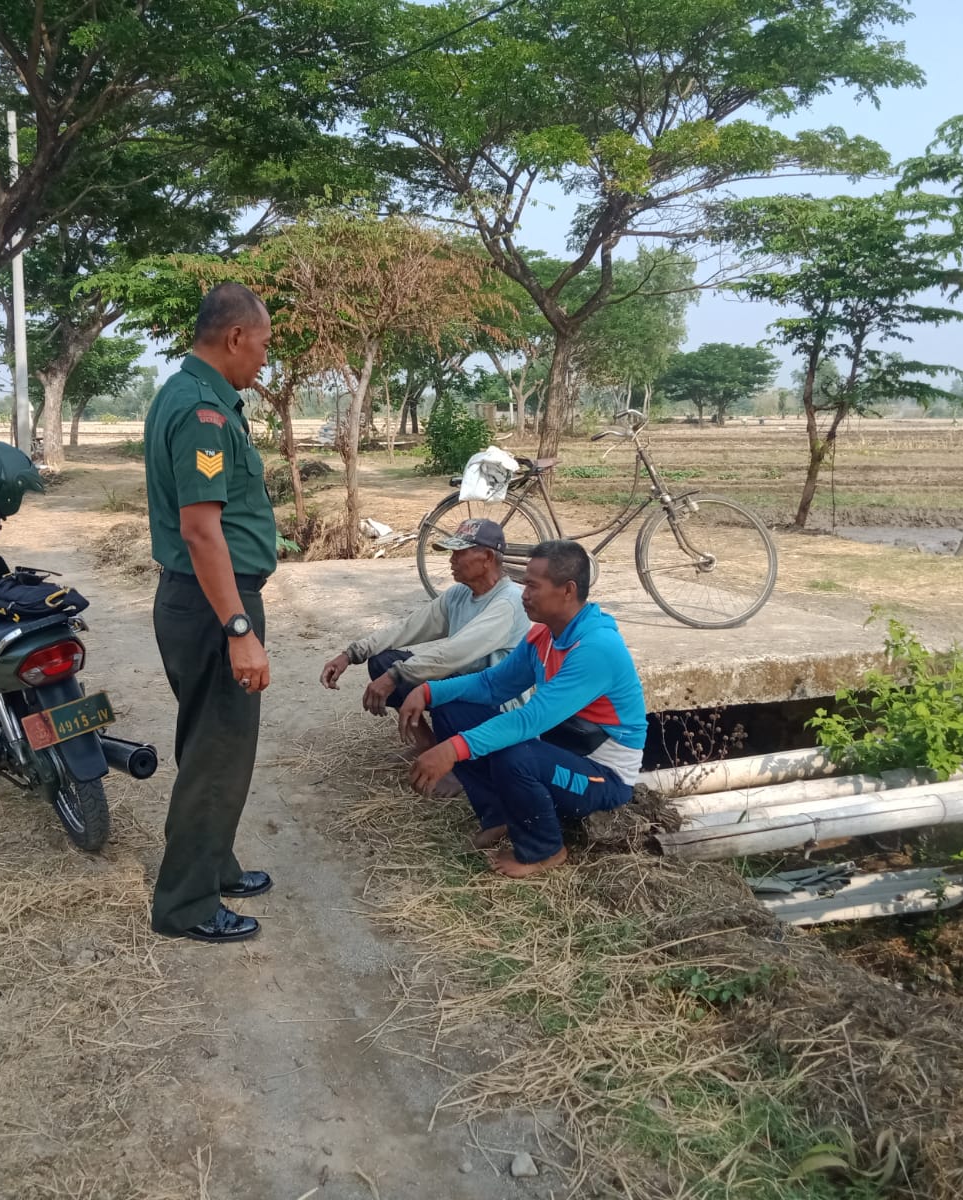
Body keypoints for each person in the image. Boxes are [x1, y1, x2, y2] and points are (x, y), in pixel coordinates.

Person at [143, 282, 277, 944]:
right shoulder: (202, 411)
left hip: (200, 599)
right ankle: (187, 905)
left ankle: (213, 860)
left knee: (211, 741)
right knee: (220, 750)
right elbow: (201, 531)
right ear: (233, 338)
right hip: (212, 603)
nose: (264, 359)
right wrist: (241, 630)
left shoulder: (190, 394)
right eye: (262, 344)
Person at [397, 540, 647, 878]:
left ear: (567, 591)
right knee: (453, 710)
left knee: (515, 756)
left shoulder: (595, 648)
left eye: (532, 584)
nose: (522, 593)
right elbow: (492, 685)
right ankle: (499, 815)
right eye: (523, 582)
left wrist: (452, 751)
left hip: (602, 778)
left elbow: (529, 719)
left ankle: (545, 850)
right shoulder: (544, 635)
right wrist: (428, 691)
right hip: (559, 754)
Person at [318, 518, 530, 729]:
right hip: (466, 686)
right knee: (381, 661)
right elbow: (408, 627)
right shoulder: (459, 594)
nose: (451, 560)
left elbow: (453, 653)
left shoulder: (508, 603)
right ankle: (425, 745)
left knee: (438, 692)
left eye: (459, 553)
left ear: (487, 557)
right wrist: (352, 654)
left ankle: (447, 753)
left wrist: (395, 676)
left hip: (497, 705)